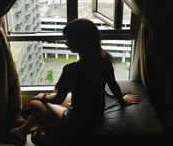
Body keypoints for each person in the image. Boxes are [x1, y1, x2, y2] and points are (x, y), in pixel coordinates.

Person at [10, 18, 141, 145]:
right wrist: (122, 101)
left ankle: (47, 135)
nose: (66, 43)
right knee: (48, 103)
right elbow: (113, 86)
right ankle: (23, 131)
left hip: (77, 122)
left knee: (35, 103)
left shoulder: (71, 70)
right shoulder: (105, 61)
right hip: (95, 115)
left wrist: (43, 96)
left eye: (68, 40)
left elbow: (57, 99)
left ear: (80, 43)